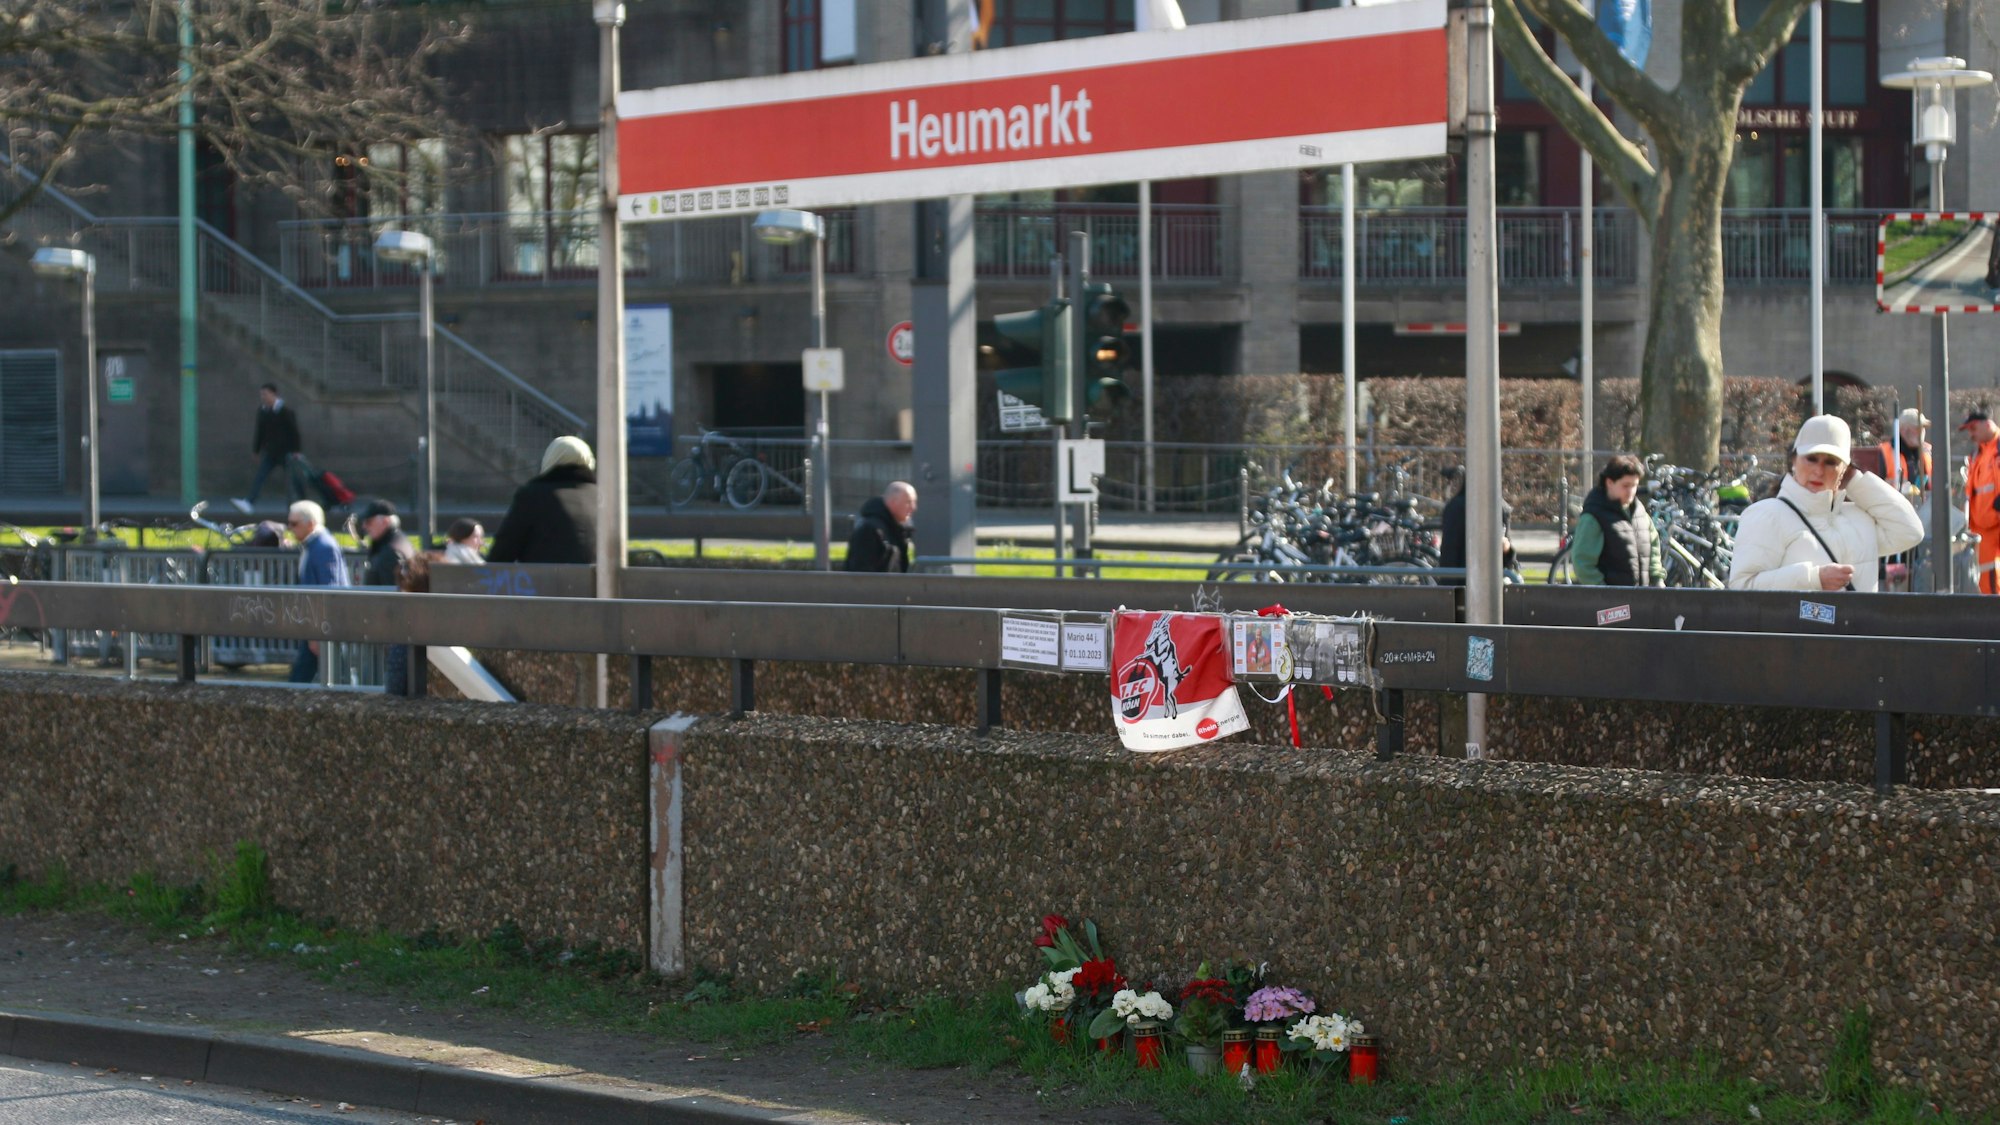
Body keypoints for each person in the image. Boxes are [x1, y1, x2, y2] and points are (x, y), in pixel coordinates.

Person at [1726, 414, 1921, 593]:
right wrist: (1814, 579)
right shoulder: (1766, 514)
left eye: (1831, 462)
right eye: (1811, 459)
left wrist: (1857, 482)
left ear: (1845, 468)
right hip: (1794, 631)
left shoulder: (1860, 518)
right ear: (1794, 460)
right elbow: (1742, 587)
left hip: (1857, 630)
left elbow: (1911, 532)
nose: (1819, 471)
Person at [487, 436, 597, 565]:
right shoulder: (601, 497)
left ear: (550, 459)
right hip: (596, 583)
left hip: (544, 582)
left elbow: (503, 551)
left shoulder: (533, 495)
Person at [1571, 454, 1663, 587]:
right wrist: (1604, 593)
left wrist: (1657, 581)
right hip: (1610, 604)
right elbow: (1583, 563)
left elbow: (1653, 552)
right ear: (1609, 482)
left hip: (1641, 600)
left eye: (1634, 485)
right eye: (1625, 485)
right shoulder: (1593, 517)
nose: (1631, 491)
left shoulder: (1641, 514)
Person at [286, 499, 349, 684]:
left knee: (304, 676)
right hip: (316, 624)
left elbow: (330, 589)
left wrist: (318, 633)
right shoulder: (315, 545)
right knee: (326, 673)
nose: (290, 528)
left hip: (321, 625)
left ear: (311, 524)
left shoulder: (323, 547)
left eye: (294, 524)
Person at [235, 383, 304, 513]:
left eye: (265, 394)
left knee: (293, 480)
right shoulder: (263, 411)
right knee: (260, 476)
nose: (263, 397)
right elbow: (259, 432)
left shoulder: (285, 411)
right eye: (262, 394)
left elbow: (294, 432)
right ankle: (249, 502)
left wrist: (296, 451)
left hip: (286, 453)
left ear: (274, 394)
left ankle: (301, 505)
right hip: (270, 452)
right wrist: (256, 450)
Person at [1437, 477, 1517, 588]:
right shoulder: (1458, 508)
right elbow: (1450, 556)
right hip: (1471, 584)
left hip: (1484, 585)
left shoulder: (1500, 509)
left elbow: (1448, 557)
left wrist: (1507, 549)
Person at [1962, 410, 2000, 594]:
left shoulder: (1996, 448)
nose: (1971, 434)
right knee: (1987, 577)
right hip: (1983, 528)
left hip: (1994, 523)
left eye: (1973, 428)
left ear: (1987, 424)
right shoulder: (1978, 453)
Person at [843, 481, 917, 573]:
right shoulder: (870, 530)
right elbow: (860, 575)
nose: (913, 508)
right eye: (908, 502)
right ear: (893, 502)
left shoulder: (897, 531)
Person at [1877, 408, 1933, 494]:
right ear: (1903, 430)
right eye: (1918, 428)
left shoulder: (1927, 454)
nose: (1922, 431)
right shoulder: (1882, 453)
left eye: (1924, 428)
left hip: (1923, 506)